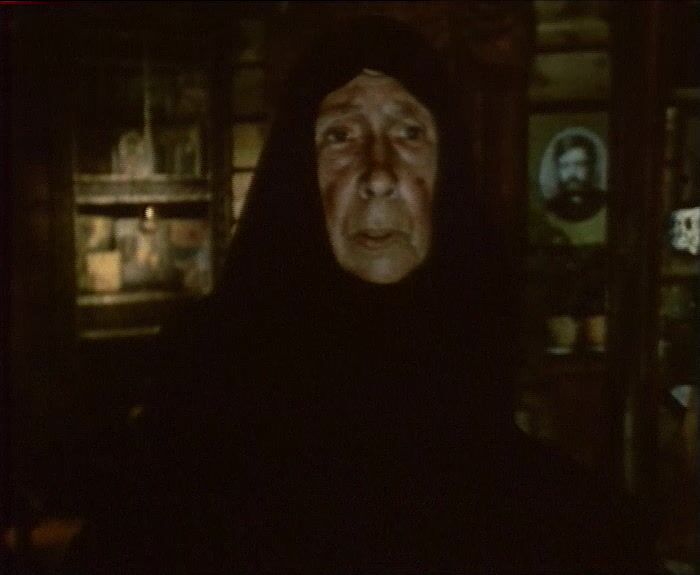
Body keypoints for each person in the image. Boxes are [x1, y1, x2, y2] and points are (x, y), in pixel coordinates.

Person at [63, 15, 655, 574]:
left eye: (409, 132)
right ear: (300, 173)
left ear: (445, 174)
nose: (378, 173)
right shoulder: (205, 414)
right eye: (341, 135)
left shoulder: (488, 387)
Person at [546, 133, 606, 222]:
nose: (572, 173)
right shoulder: (551, 207)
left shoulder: (604, 202)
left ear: (591, 167)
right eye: (565, 165)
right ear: (557, 169)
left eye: (580, 164)